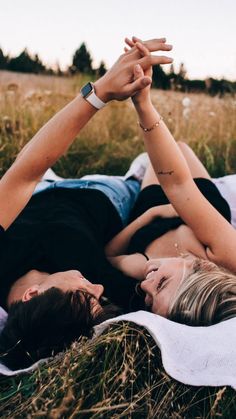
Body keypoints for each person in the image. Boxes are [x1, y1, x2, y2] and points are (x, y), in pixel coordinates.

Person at [0, 37, 173, 370]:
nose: (97, 286)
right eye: (100, 297)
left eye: (86, 293)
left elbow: (24, 173)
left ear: (32, 295)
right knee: (161, 164)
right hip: (106, 195)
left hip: (41, 188)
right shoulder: (96, 280)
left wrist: (102, 91)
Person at [106, 37, 236, 327]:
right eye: (161, 284)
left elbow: (108, 256)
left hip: (152, 206)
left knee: (159, 159)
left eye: (149, 302)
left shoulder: (145, 272)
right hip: (203, 203)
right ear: (200, 269)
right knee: (182, 146)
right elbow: (180, 186)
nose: (146, 289)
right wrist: (143, 104)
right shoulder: (229, 257)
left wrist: (154, 213)